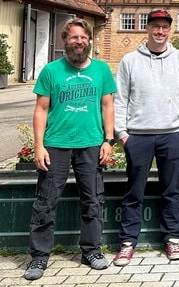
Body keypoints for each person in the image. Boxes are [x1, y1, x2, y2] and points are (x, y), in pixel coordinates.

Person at [23, 18, 117, 281]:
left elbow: (107, 106)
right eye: (74, 37)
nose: (79, 42)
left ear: (89, 40)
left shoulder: (101, 70)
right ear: (65, 40)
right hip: (56, 145)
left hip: (91, 144)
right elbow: (41, 109)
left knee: (93, 200)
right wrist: (39, 145)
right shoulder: (51, 71)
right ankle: (39, 258)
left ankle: (91, 251)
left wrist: (108, 140)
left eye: (83, 37)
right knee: (46, 202)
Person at [112, 9, 179, 265]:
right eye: (155, 26)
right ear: (147, 29)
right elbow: (121, 98)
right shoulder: (130, 61)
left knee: (171, 190)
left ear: (170, 30)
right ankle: (128, 243)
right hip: (138, 136)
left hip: (172, 135)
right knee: (133, 191)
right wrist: (122, 133)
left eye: (164, 27)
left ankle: (172, 239)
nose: (159, 31)